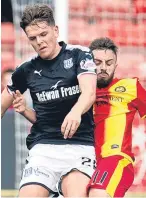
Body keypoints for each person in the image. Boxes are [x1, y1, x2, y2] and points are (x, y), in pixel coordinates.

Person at [1, 4, 97, 198]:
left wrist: (76, 111)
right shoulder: (26, 70)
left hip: (79, 147)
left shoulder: (80, 55)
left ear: (55, 31)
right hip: (43, 149)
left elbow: (89, 92)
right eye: (33, 38)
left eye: (43, 34)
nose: (39, 42)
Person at [87, 37, 146, 198]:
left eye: (109, 63)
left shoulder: (130, 87)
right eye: (97, 62)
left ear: (115, 65)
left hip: (116, 158)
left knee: (97, 194)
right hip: (86, 162)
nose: (103, 67)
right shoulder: (79, 92)